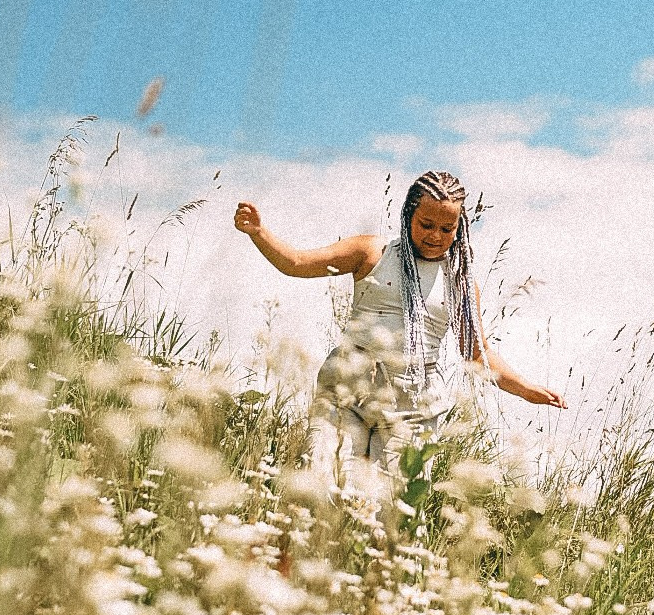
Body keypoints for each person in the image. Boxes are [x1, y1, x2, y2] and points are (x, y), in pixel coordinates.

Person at [233, 169, 565, 477]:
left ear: (460, 227)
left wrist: (525, 389)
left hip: (413, 409)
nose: (435, 236)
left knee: (387, 514)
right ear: (408, 217)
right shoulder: (370, 252)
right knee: (321, 485)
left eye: (447, 229)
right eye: (426, 224)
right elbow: (297, 263)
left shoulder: (460, 283)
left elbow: (477, 355)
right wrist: (259, 232)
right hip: (346, 392)